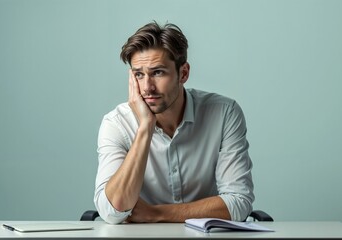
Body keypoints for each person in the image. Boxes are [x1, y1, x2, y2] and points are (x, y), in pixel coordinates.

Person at [94, 21, 254, 224]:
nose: (147, 87)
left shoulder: (224, 113)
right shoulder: (116, 124)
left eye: (158, 72)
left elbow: (238, 202)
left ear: (184, 73)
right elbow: (112, 211)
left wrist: (155, 214)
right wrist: (145, 128)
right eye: (139, 74)